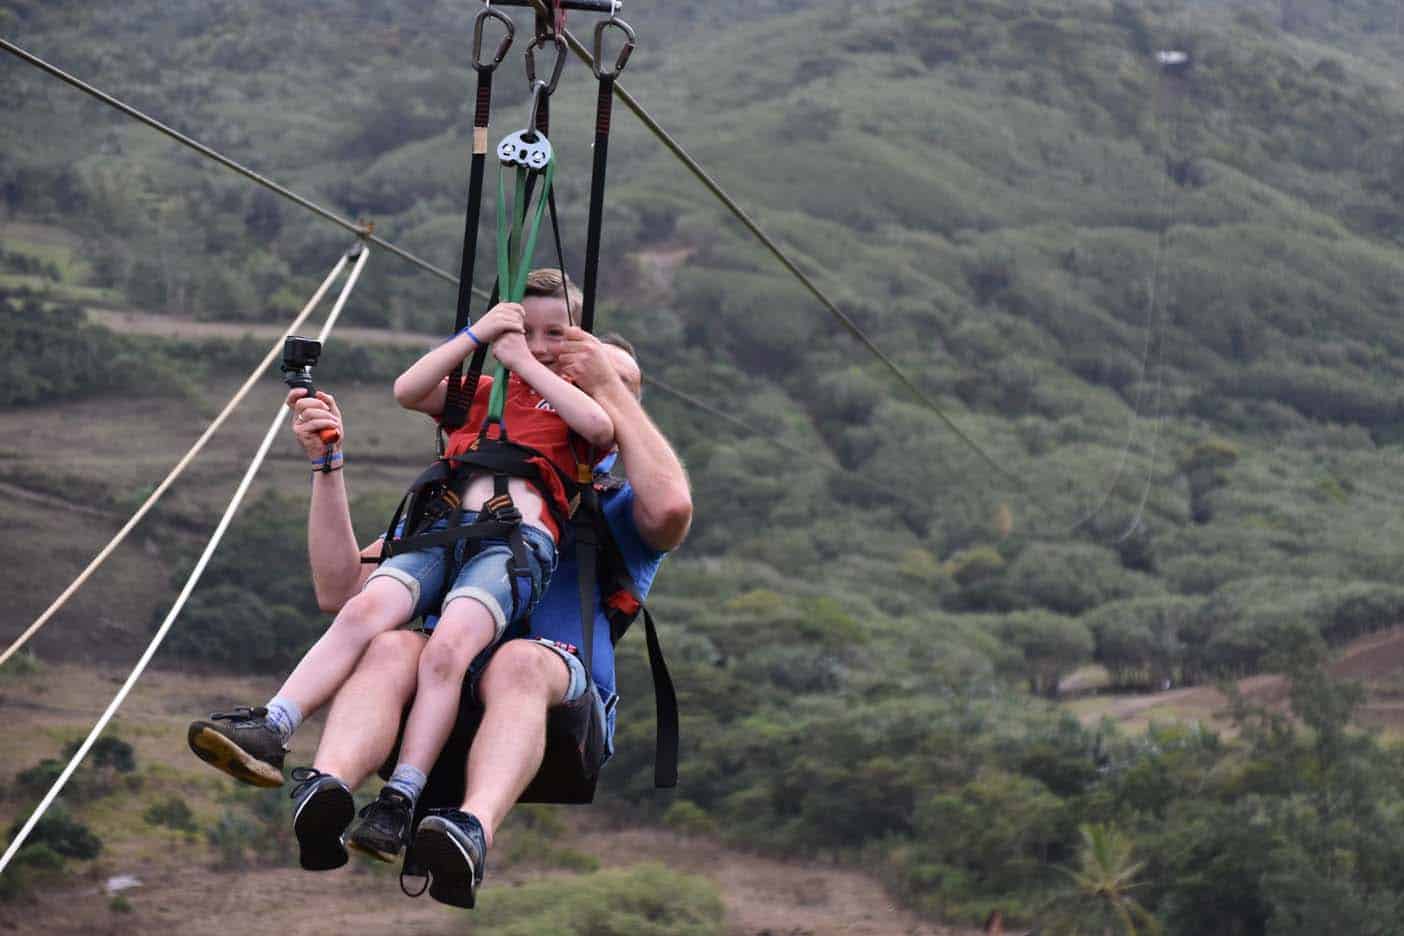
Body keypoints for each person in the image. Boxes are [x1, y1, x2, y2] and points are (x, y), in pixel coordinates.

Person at [194, 325, 691, 909]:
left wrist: (608, 384)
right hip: (442, 682)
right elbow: (342, 589)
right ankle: (328, 786)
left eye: (608, 381)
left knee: (518, 660)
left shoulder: (618, 506)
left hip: (556, 693)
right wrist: (329, 465)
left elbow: (672, 507)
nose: (584, 382)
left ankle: (471, 828)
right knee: (390, 645)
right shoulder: (481, 495)